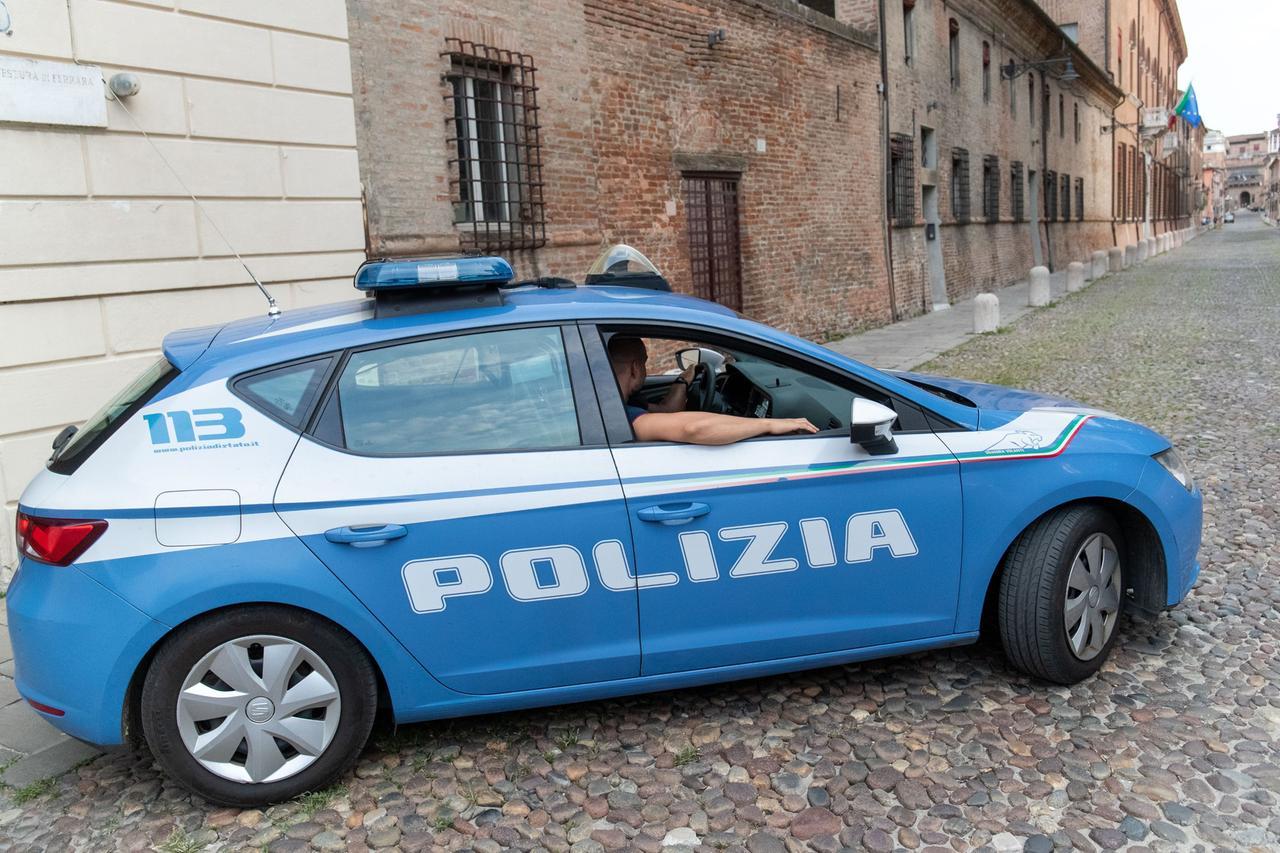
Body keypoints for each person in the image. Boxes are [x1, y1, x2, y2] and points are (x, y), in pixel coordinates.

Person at [607, 336, 818, 445]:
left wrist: (683, 381)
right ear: (635, 368)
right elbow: (693, 429)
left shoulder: (616, 403)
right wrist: (768, 424)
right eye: (644, 364)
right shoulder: (626, 416)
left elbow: (668, 413)